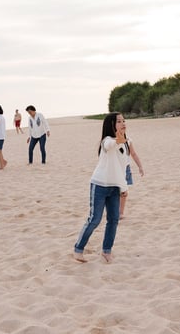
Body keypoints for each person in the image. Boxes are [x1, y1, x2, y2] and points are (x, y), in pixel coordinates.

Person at [73, 113, 128, 264]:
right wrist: (118, 140)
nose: (123, 123)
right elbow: (110, 145)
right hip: (99, 185)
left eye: (124, 121)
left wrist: (124, 187)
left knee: (113, 220)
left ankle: (106, 251)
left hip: (114, 188)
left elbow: (122, 168)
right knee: (94, 219)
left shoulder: (125, 143)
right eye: (118, 121)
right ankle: (78, 249)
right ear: (111, 124)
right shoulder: (107, 141)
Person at [119, 127, 144, 219]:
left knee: (124, 191)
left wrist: (140, 166)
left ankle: (121, 212)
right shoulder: (111, 141)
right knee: (113, 191)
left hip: (126, 169)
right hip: (115, 170)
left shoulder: (128, 140)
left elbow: (133, 154)